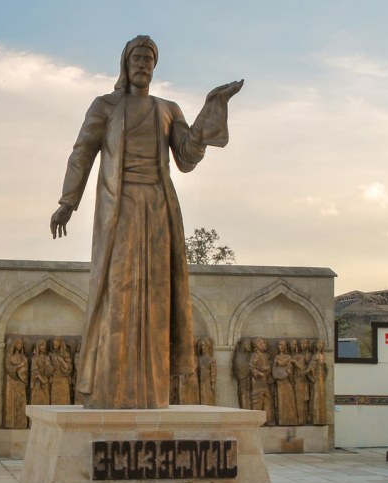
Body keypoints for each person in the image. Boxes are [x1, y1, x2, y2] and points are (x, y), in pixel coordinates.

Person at [50, 35, 243, 409]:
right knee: (117, 290)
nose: (142, 64)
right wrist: (67, 201)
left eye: (148, 59)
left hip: (158, 206)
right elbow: (82, 152)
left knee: (157, 295)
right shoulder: (106, 105)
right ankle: (109, 387)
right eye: (137, 57)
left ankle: (150, 390)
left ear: (155, 66)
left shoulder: (167, 109)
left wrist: (210, 111)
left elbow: (186, 157)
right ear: (125, 63)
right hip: (120, 207)